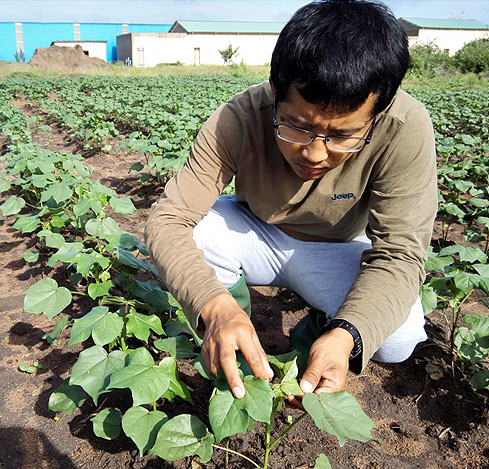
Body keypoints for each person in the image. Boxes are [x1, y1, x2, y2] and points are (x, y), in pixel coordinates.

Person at [144, 0, 437, 404]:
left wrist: (348, 333)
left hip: (337, 248)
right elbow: (167, 220)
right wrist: (214, 306)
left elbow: (401, 254)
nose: (315, 154)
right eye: (296, 126)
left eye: (342, 136)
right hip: (256, 232)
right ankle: (232, 328)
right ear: (274, 90)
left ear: (378, 111)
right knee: (202, 234)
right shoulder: (241, 116)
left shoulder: (404, 129)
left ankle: (322, 334)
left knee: (396, 340)